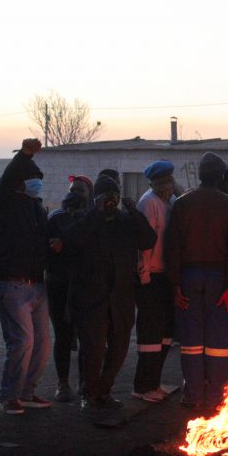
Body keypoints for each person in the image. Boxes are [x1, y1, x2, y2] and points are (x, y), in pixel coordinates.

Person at [66, 175, 156, 410]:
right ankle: (89, 393)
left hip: (121, 298)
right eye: (106, 198)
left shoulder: (125, 221)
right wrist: (96, 212)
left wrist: (133, 211)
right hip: (93, 300)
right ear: (96, 199)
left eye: (114, 197)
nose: (110, 202)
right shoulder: (86, 219)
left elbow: (148, 239)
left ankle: (104, 391)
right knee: (93, 352)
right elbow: (73, 240)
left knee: (118, 350)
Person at [167, 152, 228, 411]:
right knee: (218, 341)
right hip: (220, 279)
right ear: (221, 176)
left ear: (199, 175)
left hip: (188, 277)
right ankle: (215, 395)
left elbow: (173, 248)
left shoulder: (182, 204)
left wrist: (176, 284)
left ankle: (193, 394)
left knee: (191, 340)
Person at [0, 138, 55, 415]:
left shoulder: (34, 207)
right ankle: (8, 397)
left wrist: (53, 244)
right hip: (12, 283)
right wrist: (24, 156)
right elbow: (6, 182)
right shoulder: (4, 201)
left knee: (42, 343)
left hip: (36, 283)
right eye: (31, 179)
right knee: (22, 342)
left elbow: (43, 237)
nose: (36, 184)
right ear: (19, 181)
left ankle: (27, 392)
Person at [133, 160, 177, 402]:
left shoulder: (167, 202)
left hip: (164, 275)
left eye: (170, 180)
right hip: (150, 276)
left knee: (165, 333)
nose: (169, 184)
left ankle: (154, 382)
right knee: (150, 333)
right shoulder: (148, 203)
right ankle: (142, 386)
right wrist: (144, 276)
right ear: (155, 182)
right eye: (164, 181)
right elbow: (144, 245)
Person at [47, 189, 87, 403]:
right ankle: (80, 383)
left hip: (59, 283)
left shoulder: (55, 218)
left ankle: (66, 384)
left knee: (64, 335)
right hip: (72, 284)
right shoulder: (86, 219)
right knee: (79, 335)